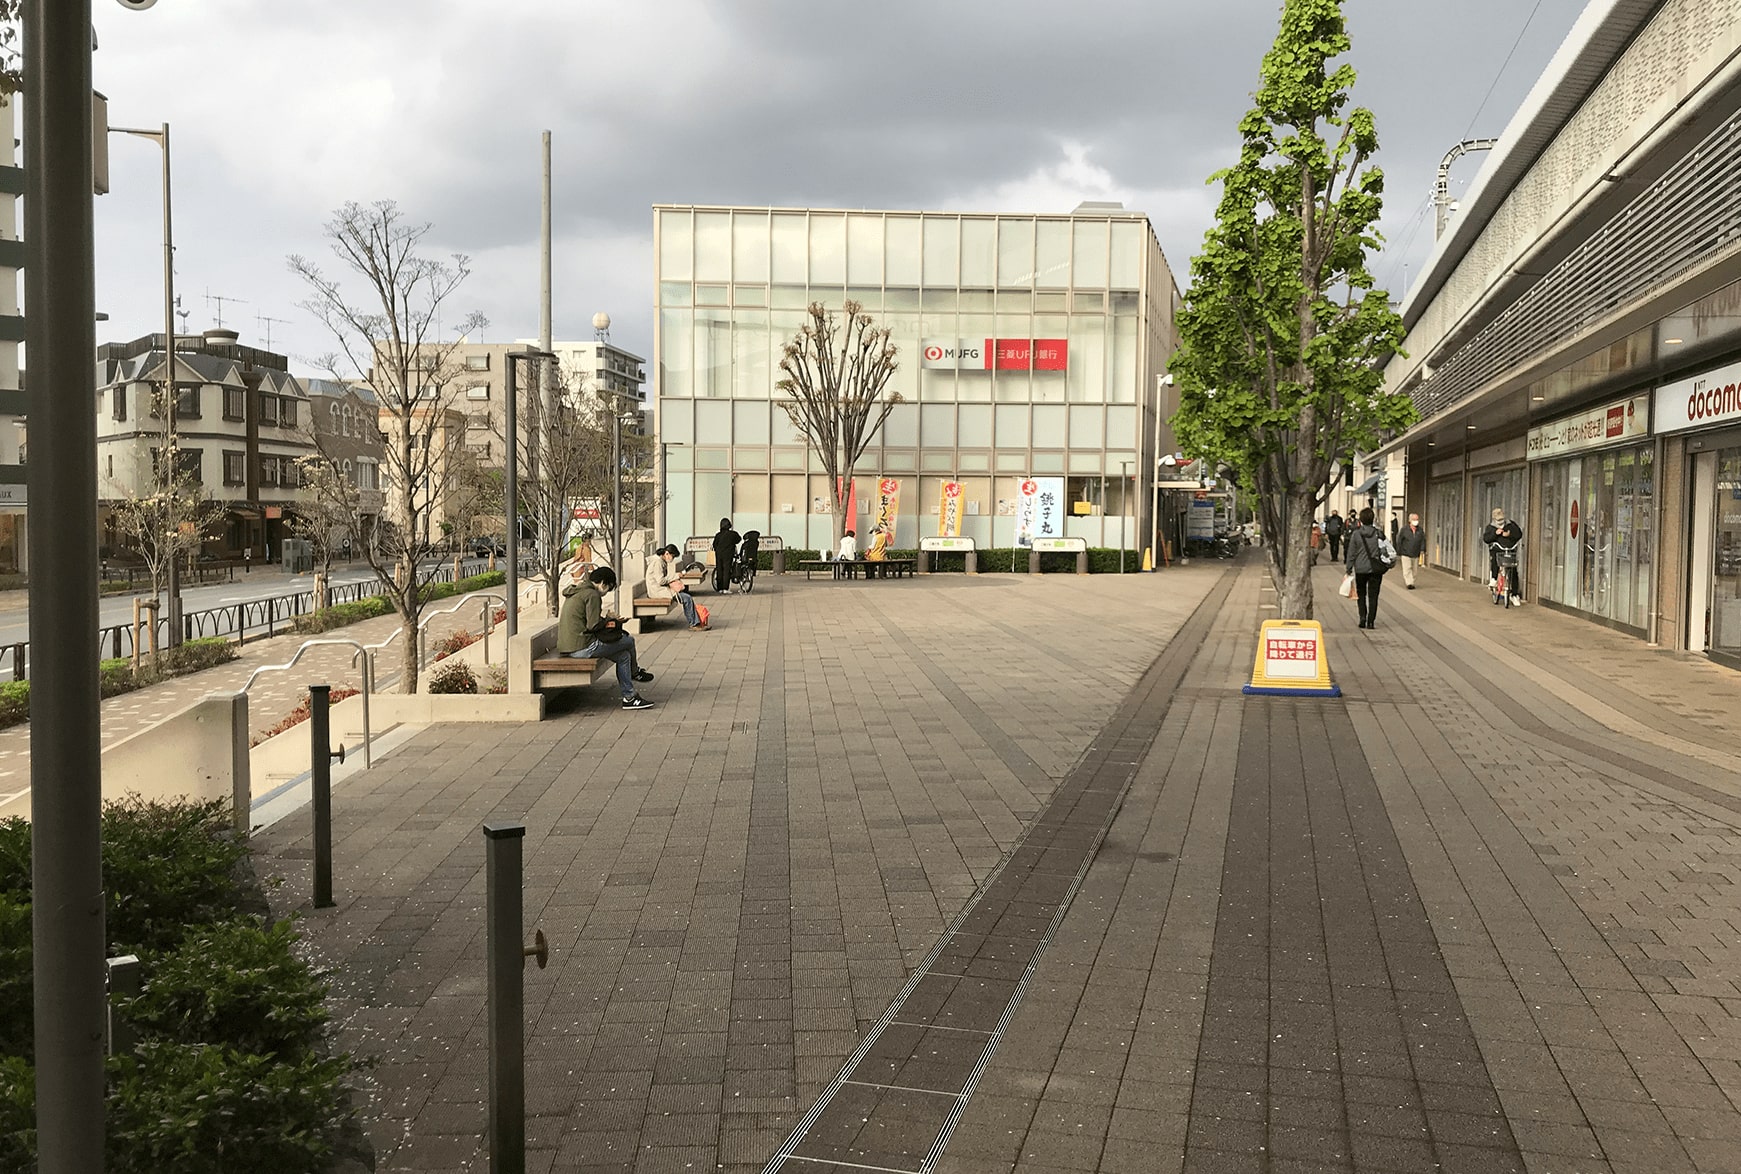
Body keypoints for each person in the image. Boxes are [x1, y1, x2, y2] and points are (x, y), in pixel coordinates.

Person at [558, 567, 655, 709]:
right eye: (608, 588)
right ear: (603, 583)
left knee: (623, 656)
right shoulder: (592, 595)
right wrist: (609, 619)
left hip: (569, 645)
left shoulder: (578, 591)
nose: (606, 593)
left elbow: (589, 621)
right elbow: (593, 625)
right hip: (582, 646)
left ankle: (629, 697)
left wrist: (607, 620)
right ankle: (635, 673)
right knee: (629, 641)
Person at [1344, 506, 1387, 630]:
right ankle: (1371, 621)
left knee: (1361, 594)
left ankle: (1362, 618)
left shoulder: (1356, 534)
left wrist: (1349, 568)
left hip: (1361, 569)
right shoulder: (1379, 533)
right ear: (1373, 519)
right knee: (1373, 596)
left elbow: (1351, 553)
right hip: (1375, 569)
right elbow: (1385, 550)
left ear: (1361, 520)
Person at [645, 544, 706, 629]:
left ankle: (695, 622)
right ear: (667, 553)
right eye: (672, 556)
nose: (672, 559)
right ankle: (694, 623)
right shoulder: (658, 562)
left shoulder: (661, 561)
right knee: (687, 598)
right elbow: (661, 581)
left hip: (660, 589)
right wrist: (676, 576)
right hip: (657, 591)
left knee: (686, 597)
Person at [1481, 507, 1525, 604]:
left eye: (1501, 519)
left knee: (1513, 570)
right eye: (1498, 520)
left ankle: (1514, 594)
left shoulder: (1510, 525)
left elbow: (1519, 534)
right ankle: (1494, 578)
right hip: (1497, 550)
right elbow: (1486, 539)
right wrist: (1495, 534)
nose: (1500, 522)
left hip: (1509, 550)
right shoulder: (1491, 527)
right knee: (1495, 560)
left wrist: (1509, 534)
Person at [1394, 511, 1426, 589]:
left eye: (1417, 519)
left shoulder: (1420, 530)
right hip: (1406, 553)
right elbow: (1399, 540)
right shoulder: (1404, 530)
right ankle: (1409, 583)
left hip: (1416, 553)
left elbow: (1423, 540)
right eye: (1414, 519)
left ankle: (1412, 581)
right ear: (1410, 520)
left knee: (1415, 570)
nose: (1416, 521)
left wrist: (1422, 549)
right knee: (1407, 568)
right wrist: (1399, 550)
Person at [711, 517, 739, 593]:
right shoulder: (733, 534)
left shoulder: (718, 535)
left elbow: (714, 544)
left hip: (719, 554)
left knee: (719, 570)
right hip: (728, 554)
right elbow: (738, 539)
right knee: (726, 570)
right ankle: (725, 588)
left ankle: (720, 588)